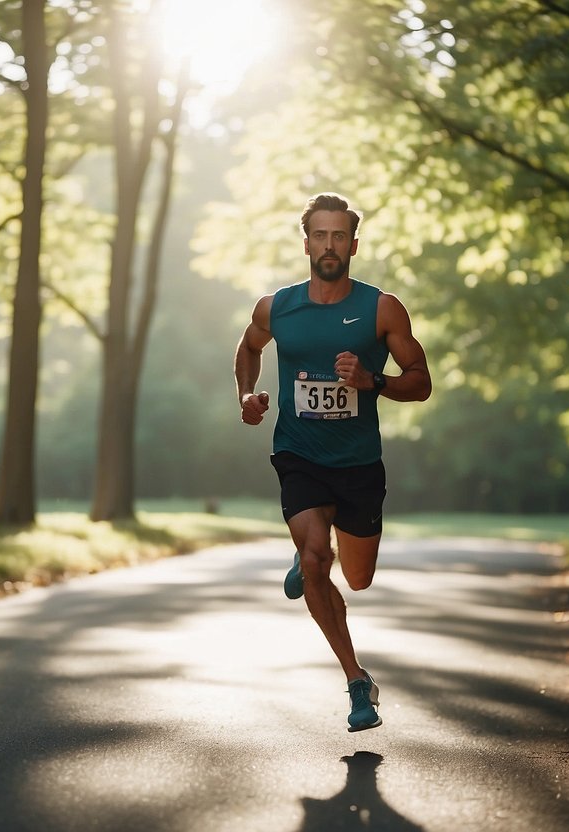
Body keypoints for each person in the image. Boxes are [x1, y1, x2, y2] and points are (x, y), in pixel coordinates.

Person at [233, 192, 431, 732]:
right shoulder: (277, 307)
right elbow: (248, 349)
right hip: (298, 453)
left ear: (353, 245)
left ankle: (308, 554)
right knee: (320, 562)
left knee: (358, 578)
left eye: (339, 236)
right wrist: (247, 397)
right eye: (319, 235)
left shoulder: (381, 308)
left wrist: (373, 381)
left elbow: (421, 381)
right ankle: (356, 681)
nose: (329, 245)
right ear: (306, 243)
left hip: (359, 464)